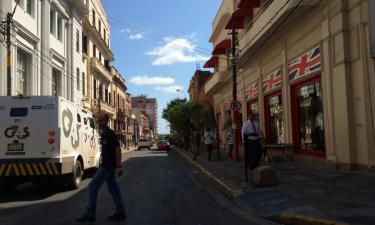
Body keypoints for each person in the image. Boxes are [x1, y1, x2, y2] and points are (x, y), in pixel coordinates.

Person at [76, 113, 126, 223]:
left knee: (93, 186)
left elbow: (117, 148)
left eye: (100, 120)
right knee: (114, 189)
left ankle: (90, 214)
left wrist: (119, 165)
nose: (98, 122)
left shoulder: (109, 133)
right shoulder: (104, 133)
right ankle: (121, 211)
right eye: (98, 120)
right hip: (108, 166)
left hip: (108, 166)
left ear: (105, 121)